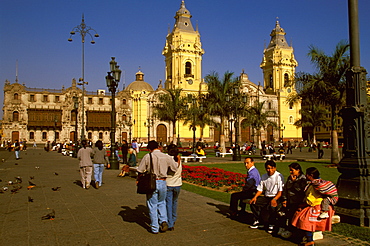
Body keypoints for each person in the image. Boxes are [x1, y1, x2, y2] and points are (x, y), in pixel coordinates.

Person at [137, 140, 178, 234]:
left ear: (149, 149)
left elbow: (140, 170)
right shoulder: (166, 156)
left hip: (152, 183)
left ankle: (155, 227)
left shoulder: (148, 156)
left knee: (152, 205)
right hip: (163, 182)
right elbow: (174, 168)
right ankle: (164, 221)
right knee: (162, 202)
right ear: (158, 147)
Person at [291, 167, 338, 246]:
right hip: (315, 205)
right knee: (303, 221)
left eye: (307, 174)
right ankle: (307, 238)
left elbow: (310, 199)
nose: (305, 176)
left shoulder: (315, 186)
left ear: (311, 175)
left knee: (305, 222)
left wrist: (303, 205)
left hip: (315, 206)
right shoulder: (314, 184)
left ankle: (309, 240)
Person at [249, 160, 284, 233]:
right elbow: (260, 189)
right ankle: (258, 220)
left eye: (271, 168)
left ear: (275, 168)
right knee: (253, 203)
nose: (270, 170)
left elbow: (280, 191)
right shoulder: (264, 176)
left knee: (272, 206)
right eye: (268, 168)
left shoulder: (279, 176)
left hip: (275, 196)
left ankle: (272, 223)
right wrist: (255, 197)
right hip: (267, 196)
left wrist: (274, 199)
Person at [277, 162, 307, 238]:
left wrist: (294, 182)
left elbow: (301, 192)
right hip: (288, 199)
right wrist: (284, 199)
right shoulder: (290, 178)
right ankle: (282, 227)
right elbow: (285, 189)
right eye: (290, 170)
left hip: (297, 201)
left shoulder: (303, 179)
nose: (290, 172)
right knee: (280, 210)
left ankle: (291, 230)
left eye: (292, 170)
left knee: (292, 213)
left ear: (298, 170)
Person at [165, 144, 182, 231]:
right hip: (178, 184)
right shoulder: (178, 159)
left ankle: (170, 223)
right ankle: (173, 218)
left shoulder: (167, 159)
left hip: (169, 184)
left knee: (168, 203)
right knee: (174, 202)